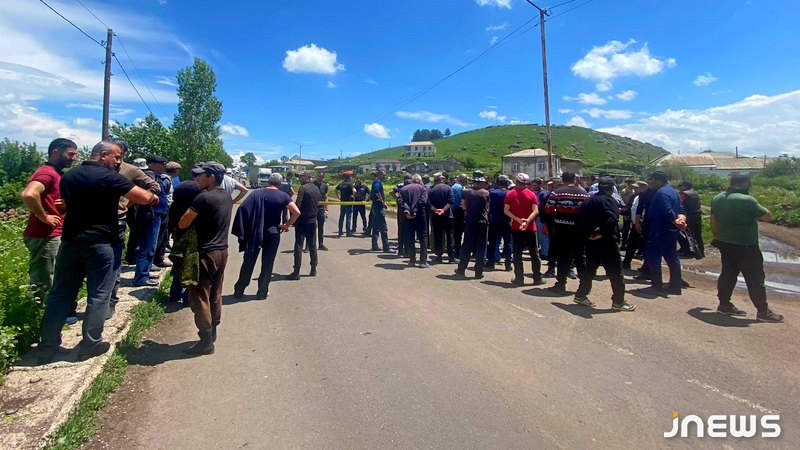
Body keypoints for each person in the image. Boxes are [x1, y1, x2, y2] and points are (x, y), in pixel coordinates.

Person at [37, 140, 158, 364]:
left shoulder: (69, 176)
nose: (119, 162)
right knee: (100, 294)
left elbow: (66, 204)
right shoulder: (110, 177)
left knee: (60, 293)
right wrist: (152, 197)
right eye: (117, 157)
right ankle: (91, 344)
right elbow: (143, 197)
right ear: (103, 155)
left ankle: (46, 347)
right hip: (101, 242)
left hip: (71, 241)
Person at [710, 175, 783, 322]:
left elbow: (713, 220)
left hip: (725, 243)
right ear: (745, 184)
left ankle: (724, 305)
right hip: (746, 245)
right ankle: (763, 312)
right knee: (755, 278)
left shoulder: (718, 198)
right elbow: (767, 216)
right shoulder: (747, 200)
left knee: (728, 274)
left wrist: (717, 236)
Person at [177, 162, 233, 355]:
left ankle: (206, 340)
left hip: (205, 253)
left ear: (211, 177)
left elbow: (183, 223)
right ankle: (213, 330)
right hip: (222, 251)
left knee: (199, 296)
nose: (197, 178)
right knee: (215, 293)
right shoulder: (226, 196)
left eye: (201, 175)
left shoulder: (203, 198)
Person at [20, 138, 78, 305]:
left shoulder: (57, 173)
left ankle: (51, 310)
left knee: (55, 275)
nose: (74, 158)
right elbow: (29, 194)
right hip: (45, 235)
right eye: (70, 154)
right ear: (55, 152)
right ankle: (37, 313)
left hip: (53, 234)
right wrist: (44, 217)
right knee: (43, 279)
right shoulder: (47, 172)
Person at [232, 173, 300, 299]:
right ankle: (262, 291)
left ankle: (239, 290)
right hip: (273, 233)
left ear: (269, 181)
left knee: (249, 260)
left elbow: (243, 208)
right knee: (268, 263)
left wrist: (246, 226)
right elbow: (296, 212)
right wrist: (286, 225)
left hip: (255, 232)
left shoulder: (256, 193)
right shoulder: (283, 196)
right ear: (280, 183)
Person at [573, 177, 636, 311]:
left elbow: (579, 220)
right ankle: (619, 301)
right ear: (611, 189)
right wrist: (600, 232)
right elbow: (612, 219)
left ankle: (581, 294)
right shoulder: (609, 200)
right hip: (607, 241)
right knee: (616, 273)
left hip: (590, 241)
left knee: (590, 270)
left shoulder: (588, 201)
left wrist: (588, 235)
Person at [639, 171, 686, 297]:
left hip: (659, 230)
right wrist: (681, 220)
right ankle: (675, 286)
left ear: (658, 180)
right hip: (670, 231)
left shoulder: (661, 193)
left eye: (651, 179)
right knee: (672, 258)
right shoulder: (673, 192)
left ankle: (656, 286)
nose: (649, 182)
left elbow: (667, 211)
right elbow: (681, 210)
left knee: (653, 258)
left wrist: (676, 222)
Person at [544, 172, 589, 293]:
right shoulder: (583, 193)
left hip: (561, 230)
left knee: (563, 257)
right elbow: (587, 210)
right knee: (580, 257)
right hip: (579, 230)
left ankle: (561, 284)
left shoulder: (557, 192)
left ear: (562, 180)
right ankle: (584, 286)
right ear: (574, 179)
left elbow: (548, 209)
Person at [132, 155, 170, 287]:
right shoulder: (148, 176)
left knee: (152, 246)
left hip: (157, 215)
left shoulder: (157, 176)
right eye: (162, 163)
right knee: (148, 246)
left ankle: (145, 272)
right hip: (151, 215)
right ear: (153, 164)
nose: (164, 166)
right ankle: (141, 277)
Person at [167, 164, 203, 305]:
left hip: (178, 232)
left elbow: (172, 214)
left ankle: (174, 294)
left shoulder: (182, 186)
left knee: (178, 263)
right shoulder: (197, 189)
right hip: (192, 234)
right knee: (191, 265)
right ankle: (187, 297)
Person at [504, 173, 544, 286]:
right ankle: (537, 278)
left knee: (517, 253)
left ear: (517, 182)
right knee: (534, 253)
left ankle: (519, 278)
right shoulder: (531, 194)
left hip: (516, 227)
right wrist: (527, 221)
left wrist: (518, 220)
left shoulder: (510, 194)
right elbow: (536, 211)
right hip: (530, 228)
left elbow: (506, 211)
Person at [455, 171, 490, 279]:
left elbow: (463, 206)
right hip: (482, 221)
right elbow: (487, 208)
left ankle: (461, 268)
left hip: (470, 221)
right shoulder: (486, 193)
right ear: (482, 182)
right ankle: (478, 271)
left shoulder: (466, 192)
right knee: (481, 246)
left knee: (467, 245)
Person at [289, 172, 323, 279]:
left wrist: (292, 219)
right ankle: (313, 269)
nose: (299, 179)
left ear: (307, 177)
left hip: (302, 221)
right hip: (312, 220)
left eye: (301, 177)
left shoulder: (302, 188)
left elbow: (298, 205)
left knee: (299, 245)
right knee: (312, 245)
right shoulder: (316, 188)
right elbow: (319, 202)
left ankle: (296, 272)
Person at [154, 161, 181, 268]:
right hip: (165, 209)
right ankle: (158, 258)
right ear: (175, 171)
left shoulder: (170, 179)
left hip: (166, 208)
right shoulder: (166, 179)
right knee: (162, 234)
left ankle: (161, 252)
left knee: (165, 233)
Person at [400, 174, 429, 268]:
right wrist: (415, 211)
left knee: (410, 237)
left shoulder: (404, 189)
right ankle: (423, 261)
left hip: (408, 217)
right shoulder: (423, 189)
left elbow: (401, 202)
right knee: (423, 238)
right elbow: (423, 202)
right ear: (420, 180)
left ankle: (412, 260)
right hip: (420, 215)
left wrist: (407, 212)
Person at [428, 172, 455, 263]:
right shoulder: (448, 188)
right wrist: (443, 210)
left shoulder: (430, 190)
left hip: (435, 216)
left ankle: (439, 256)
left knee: (438, 236)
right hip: (447, 215)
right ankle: (451, 256)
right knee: (450, 235)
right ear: (442, 179)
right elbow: (451, 200)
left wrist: (436, 210)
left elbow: (428, 203)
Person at [486, 175, 512, 271]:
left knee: (492, 242)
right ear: (507, 183)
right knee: (508, 242)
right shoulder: (510, 193)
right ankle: (508, 263)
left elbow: (488, 206)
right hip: (507, 220)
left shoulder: (492, 192)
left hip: (494, 220)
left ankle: (491, 262)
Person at [622, 181, 649, 270]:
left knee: (644, 246)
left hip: (643, 224)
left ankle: (646, 267)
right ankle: (626, 263)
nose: (634, 189)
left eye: (637, 188)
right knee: (631, 244)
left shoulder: (647, 198)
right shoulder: (636, 197)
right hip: (635, 224)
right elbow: (631, 209)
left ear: (644, 188)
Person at [677, 181, 704, 258]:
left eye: (681, 186)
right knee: (698, 234)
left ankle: (688, 251)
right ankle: (701, 251)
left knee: (687, 234)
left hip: (689, 216)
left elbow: (680, 204)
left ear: (685, 186)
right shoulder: (695, 193)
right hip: (697, 215)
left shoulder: (684, 194)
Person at [370, 170, 392, 252]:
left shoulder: (375, 181)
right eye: (383, 175)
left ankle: (374, 246)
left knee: (376, 227)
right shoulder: (378, 182)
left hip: (375, 206)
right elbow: (376, 191)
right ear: (379, 175)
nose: (384, 177)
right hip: (378, 207)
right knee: (383, 227)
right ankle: (386, 247)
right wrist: (382, 201)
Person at [391, 174, 412, 257]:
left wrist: (397, 198)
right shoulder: (411, 187)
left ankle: (400, 251)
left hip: (400, 210)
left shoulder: (400, 186)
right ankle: (406, 251)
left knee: (401, 231)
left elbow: (391, 192)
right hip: (409, 210)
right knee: (408, 231)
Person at [451, 174, 467, 256]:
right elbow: (457, 203)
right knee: (457, 234)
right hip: (457, 213)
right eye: (466, 179)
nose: (467, 181)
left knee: (456, 233)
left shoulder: (456, 186)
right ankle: (456, 252)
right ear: (462, 180)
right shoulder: (458, 187)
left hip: (455, 213)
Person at [313, 172, 329, 251]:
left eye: (321, 176)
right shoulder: (312, 184)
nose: (319, 178)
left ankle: (321, 244)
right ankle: (308, 245)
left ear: (323, 177)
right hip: (312, 207)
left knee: (321, 227)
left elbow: (325, 197)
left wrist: (326, 209)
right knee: (311, 227)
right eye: (318, 176)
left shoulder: (324, 186)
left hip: (321, 209)